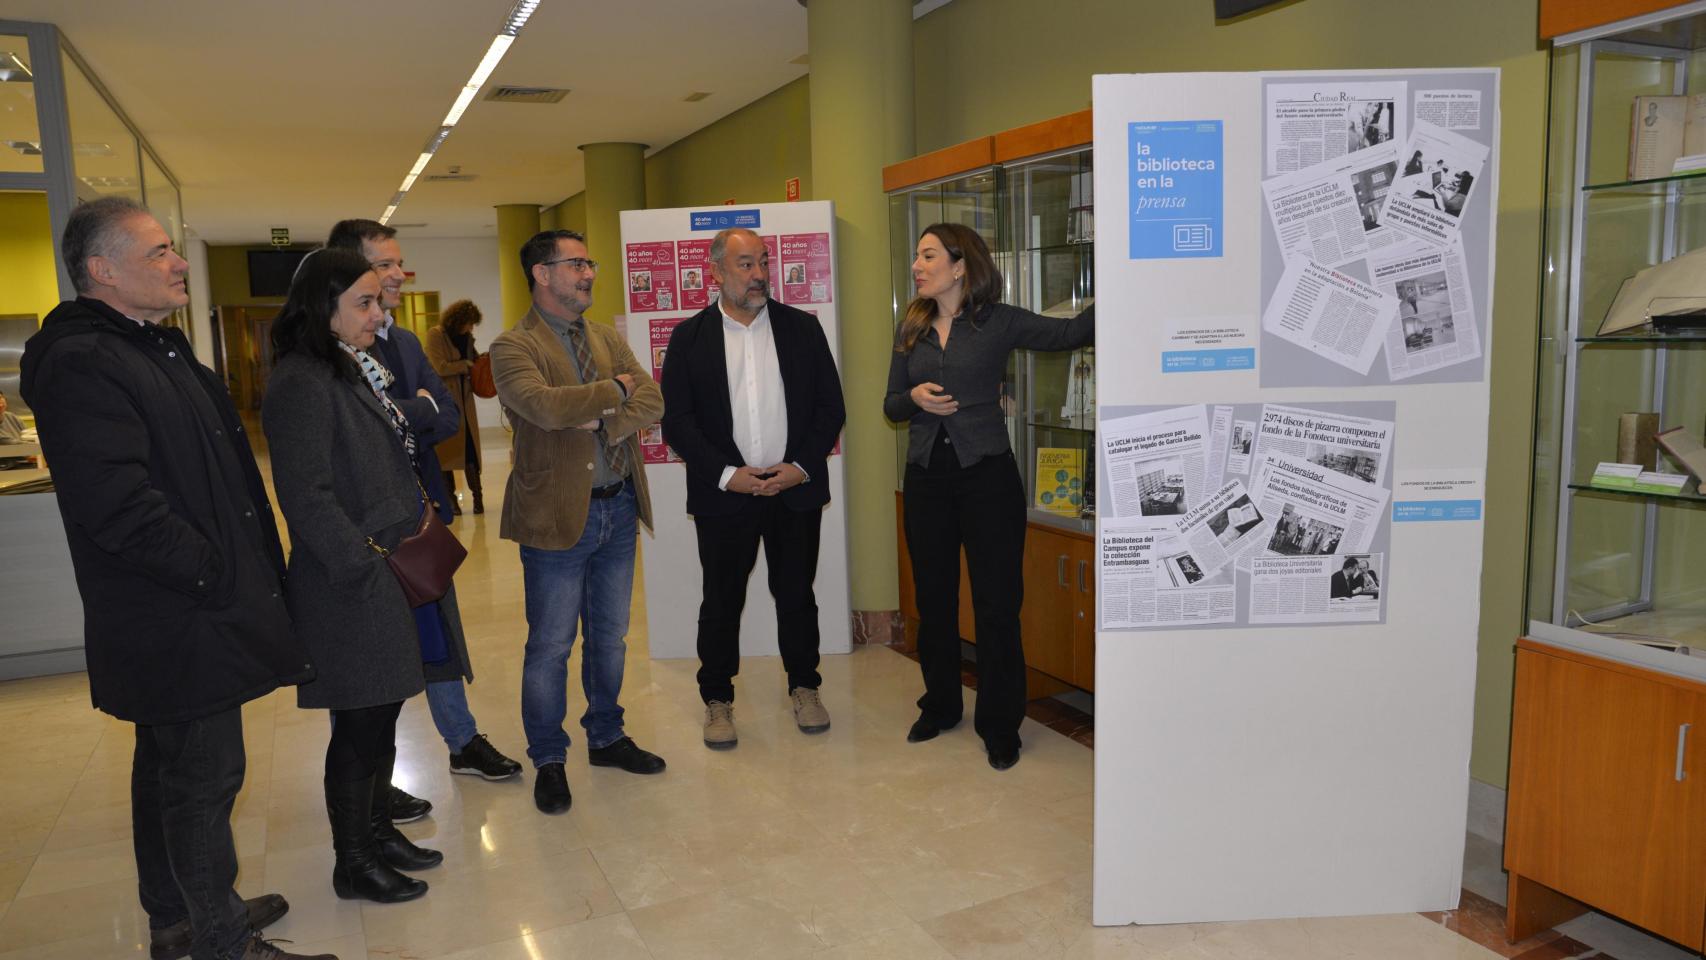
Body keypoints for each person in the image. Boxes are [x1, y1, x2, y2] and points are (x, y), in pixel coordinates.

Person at [19, 197, 324, 960]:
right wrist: (210, 572)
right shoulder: (84, 362)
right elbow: (116, 506)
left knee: (168, 770)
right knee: (203, 780)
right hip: (173, 612)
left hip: (187, 605)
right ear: (102, 270)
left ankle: (181, 916)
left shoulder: (153, 346)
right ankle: (219, 938)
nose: (179, 262)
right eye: (158, 251)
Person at [263, 247, 446, 905]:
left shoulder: (342, 366)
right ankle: (354, 861)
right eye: (364, 302)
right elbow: (306, 495)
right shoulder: (301, 381)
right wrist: (362, 565)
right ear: (324, 308)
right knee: (360, 722)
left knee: (382, 709)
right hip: (348, 579)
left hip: (381, 567)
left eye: (378, 300)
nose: (379, 313)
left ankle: (377, 833)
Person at [883, 222, 1094, 771]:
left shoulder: (998, 320)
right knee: (934, 602)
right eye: (917, 256)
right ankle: (940, 706)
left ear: (960, 266)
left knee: (997, 606)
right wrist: (914, 397)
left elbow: (1070, 334)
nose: (917, 265)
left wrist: (1125, 279)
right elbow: (890, 405)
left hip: (988, 479)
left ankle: (1000, 725)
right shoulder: (911, 326)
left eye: (928, 256)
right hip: (926, 479)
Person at [326, 221, 522, 796]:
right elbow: (365, 430)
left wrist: (403, 410)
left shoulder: (407, 343)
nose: (398, 274)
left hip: (420, 517)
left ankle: (463, 743)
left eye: (398, 262)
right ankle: (369, 782)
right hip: (365, 529)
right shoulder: (326, 355)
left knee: (439, 635)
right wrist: (414, 408)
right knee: (365, 661)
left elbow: (448, 418)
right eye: (383, 264)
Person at [490, 229, 667, 814]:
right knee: (550, 645)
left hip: (618, 505)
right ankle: (548, 757)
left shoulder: (606, 337)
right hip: (555, 517)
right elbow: (543, 406)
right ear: (542, 274)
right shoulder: (512, 346)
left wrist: (603, 420)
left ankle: (607, 736)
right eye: (576, 264)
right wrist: (613, 390)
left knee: (610, 638)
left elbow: (652, 400)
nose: (589, 273)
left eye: (589, 263)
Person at [660, 228, 846, 749]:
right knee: (721, 601)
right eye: (745, 264)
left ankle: (805, 687)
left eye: (763, 262)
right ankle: (717, 699)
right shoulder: (689, 337)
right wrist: (727, 475)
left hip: (793, 489)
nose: (759, 274)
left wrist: (801, 466)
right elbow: (678, 422)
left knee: (796, 595)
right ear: (716, 271)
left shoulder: (802, 329)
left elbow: (831, 407)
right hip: (725, 494)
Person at [425, 299, 486, 516]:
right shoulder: (436, 334)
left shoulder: (467, 338)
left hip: (466, 400)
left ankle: (478, 499)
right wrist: (465, 365)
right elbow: (439, 367)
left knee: (470, 451)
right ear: (458, 320)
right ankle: (451, 501)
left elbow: (474, 361)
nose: (471, 328)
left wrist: (482, 361)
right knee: (447, 453)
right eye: (469, 323)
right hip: (445, 400)